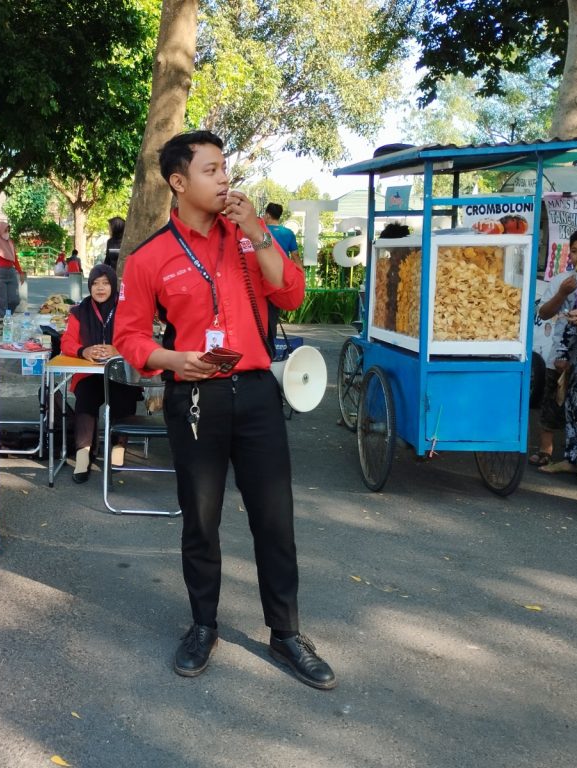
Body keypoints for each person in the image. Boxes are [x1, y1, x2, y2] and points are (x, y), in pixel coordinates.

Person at [114, 130, 336, 689]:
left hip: (258, 390)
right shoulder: (149, 257)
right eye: (211, 170)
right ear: (179, 182)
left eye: (225, 169)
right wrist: (173, 359)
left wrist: (260, 233)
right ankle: (202, 625)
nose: (224, 180)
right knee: (201, 520)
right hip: (194, 396)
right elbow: (130, 337)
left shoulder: (247, 238)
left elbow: (290, 295)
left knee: (274, 519)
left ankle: (286, 634)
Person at [60, 264, 139, 483]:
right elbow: (67, 341)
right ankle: (83, 453)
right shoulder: (79, 311)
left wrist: (118, 350)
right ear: (89, 286)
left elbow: (137, 339)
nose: (100, 288)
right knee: (85, 399)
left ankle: (118, 445)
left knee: (125, 395)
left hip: (120, 371)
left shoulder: (127, 309)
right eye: (95, 283)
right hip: (90, 372)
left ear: (114, 286)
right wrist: (83, 350)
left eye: (105, 283)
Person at [531, 228, 577, 468]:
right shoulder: (562, 280)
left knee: (576, 406)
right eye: (574, 251)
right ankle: (546, 449)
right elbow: (543, 312)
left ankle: (574, 456)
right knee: (553, 401)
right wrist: (563, 293)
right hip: (559, 354)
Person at [0, 217, 23, 318]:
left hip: (11, 272)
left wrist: (20, 272)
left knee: (14, 300)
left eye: (8, 231)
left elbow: (14, 258)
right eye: (5, 230)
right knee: (2, 301)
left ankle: (7, 318)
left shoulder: (10, 242)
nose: (7, 233)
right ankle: (2, 323)